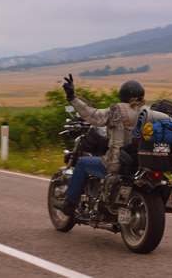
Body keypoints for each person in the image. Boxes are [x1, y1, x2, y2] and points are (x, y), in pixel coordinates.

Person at [54, 74, 146, 216]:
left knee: (83, 163)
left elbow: (92, 115)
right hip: (141, 165)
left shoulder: (117, 111)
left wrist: (72, 97)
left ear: (123, 96)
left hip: (117, 164)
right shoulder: (148, 112)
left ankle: (70, 203)